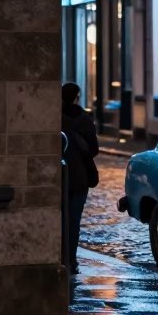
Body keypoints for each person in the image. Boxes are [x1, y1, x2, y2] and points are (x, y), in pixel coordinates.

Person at [61, 82, 99, 274]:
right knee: (74, 220)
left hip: (60, 175)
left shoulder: (55, 117)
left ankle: (60, 257)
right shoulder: (85, 118)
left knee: (60, 218)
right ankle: (71, 260)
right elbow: (94, 148)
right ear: (77, 96)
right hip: (80, 176)